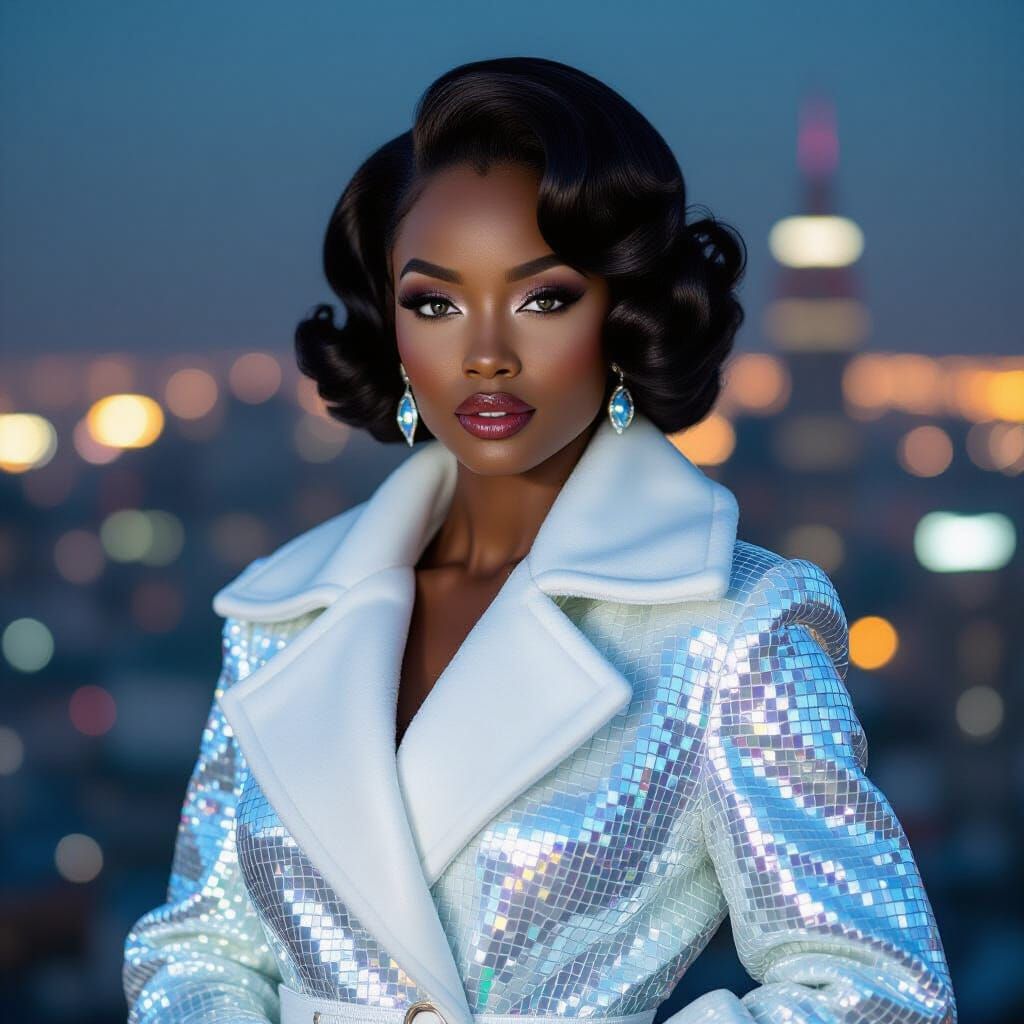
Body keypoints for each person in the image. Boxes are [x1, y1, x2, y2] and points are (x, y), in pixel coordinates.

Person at [122, 56, 956, 1024]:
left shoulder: (732, 627)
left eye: (543, 298)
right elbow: (197, 950)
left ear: (621, 312)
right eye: (435, 303)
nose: (485, 352)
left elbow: (877, 992)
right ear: (392, 328)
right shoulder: (281, 612)